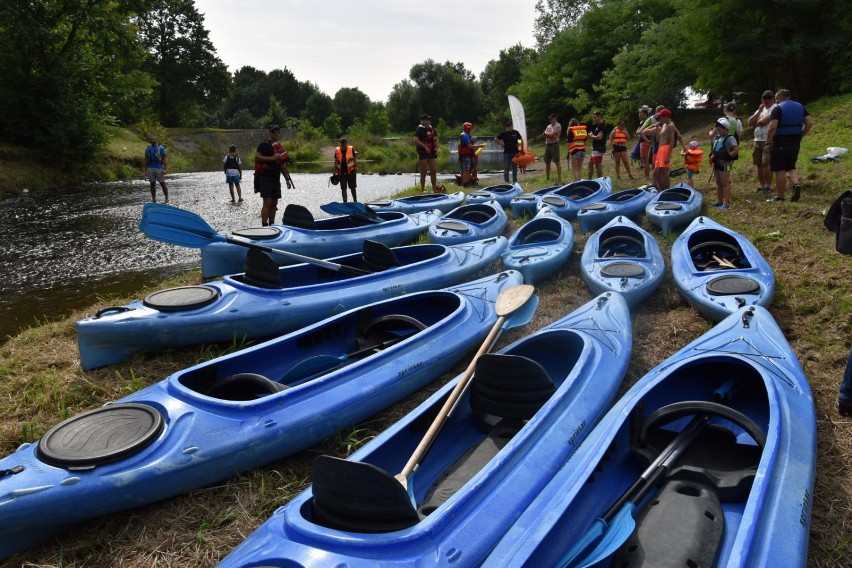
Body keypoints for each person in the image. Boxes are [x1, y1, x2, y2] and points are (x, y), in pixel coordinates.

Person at [766, 89, 813, 202]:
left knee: (780, 169)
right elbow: (809, 123)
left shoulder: (778, 109)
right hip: (795, 141)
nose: (776, 101)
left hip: (780, 142)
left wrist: (768, 142)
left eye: (776, 99)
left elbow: (772, 127)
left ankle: (780, 196)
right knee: (791, 166)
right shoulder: (800, 107)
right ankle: (796, 184)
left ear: (780, 97)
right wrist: (801, 134)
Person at [255, 125, 288, 226]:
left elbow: (282, 165)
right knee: (267, 202)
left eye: (278, 132)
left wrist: (287, 179)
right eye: (274, 132)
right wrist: (272, 158)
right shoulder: (264, 145)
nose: (276, 134)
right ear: (270, 133)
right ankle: (264, 225)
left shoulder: (279, 146)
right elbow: (257, 157)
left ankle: (272, 224)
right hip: (266, 177)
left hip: (275, 177)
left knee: (274, 203)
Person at [748, 90, 777, 195]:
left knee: (767, 163)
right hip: (757, 139)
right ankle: (762, 185)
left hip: (767, 139)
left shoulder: (775, 108)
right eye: (764, 98)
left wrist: (757, 122)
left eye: (769, 98)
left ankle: (768, 186)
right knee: (759, 164)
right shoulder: (761, 109)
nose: (766, 100)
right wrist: (759, 112)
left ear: (773, 99)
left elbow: (762, 121)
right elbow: (750, 122)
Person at [710, 117, 739, 209]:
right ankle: (719, 201)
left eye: (719, 129)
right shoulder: (718, 139)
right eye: (717, 129)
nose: (718, 131)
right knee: (718, 183)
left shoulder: (730, 138)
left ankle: (726, 203)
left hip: (725, 165)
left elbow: (735, 150)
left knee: (725, 183)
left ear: (726, 129)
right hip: (717, 164)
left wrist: (726, 158)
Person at [649, 108, 681, 190]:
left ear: (666, 117)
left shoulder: (670, 126)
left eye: (661, 117)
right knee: (656, 172)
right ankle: (660, 189)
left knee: (664, 172)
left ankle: (666, 190)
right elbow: (658, 139)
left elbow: (672, 141)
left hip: (665, 149)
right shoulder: (663, 125)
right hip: (660, 149)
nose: (659, 119)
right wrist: (656, 128)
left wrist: (668, 155)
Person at [415, 114, 438, 193]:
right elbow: (416, 140)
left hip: (431, 152)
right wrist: (424, 147)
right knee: (424, 171)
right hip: (423, 152)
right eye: (427, 119)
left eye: (429, 119)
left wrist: (436, 146)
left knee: (433, 171)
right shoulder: (419, 129)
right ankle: (423, 189)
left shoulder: (432, 128)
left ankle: (434, 189)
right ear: (423, 121)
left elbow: (436, 138)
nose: (429, 121)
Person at [145, 135, 169, 203]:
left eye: (153, 139)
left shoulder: (161, 148)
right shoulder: (148, 149)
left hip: (159, 168)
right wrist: (145, 171)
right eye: (151, 139)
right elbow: (146, 160)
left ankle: (166, 198)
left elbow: (165, 159)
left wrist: (165, 169)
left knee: (162, 183)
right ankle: (154, 199)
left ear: (156, 140)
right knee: (152, 184)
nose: (152, 140)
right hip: (150, 168)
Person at [334, 137, 357, 202]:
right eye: (342, 144)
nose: (343, 145)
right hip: (341, 172)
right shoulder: (337, 150)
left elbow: (355, 159)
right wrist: (334, 172)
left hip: (351, 172)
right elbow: (335, 161)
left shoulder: (351, 149)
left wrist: (355, 169)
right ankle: (345, 203)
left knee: (353, 188)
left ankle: (355, 201)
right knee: (343, 189)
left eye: (344, 144)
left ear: (347, 143)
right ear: (340, 144)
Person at [542, 113, 563, 184]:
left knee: (557, 161)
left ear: (555, 118)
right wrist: (549, 135)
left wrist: (549, 134)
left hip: (554, 144)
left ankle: (559, 178)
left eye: (551, 118)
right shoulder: (548, 126)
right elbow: (545, 134)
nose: (550, 120)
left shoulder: (558, 125)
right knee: (547, 162)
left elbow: (550, 135)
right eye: (549, 119)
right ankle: (547, 177)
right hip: (548, 144)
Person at [636, 106, 655, 180]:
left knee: (645, 159)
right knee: (643, 158)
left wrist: (647, 140)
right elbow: (638, 132)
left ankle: (647, 176)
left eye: (641, 115)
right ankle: (646, 175)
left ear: (645, 114)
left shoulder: (647, 122)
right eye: (639, 115)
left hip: (644, 142)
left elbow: (640, 132)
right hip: (642, 141)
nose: (639, 116)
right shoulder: (642, 122)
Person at [587, 111, 608, 179]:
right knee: (590, 164)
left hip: (599, 148)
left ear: (599, 116)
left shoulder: (602, 125)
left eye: (595, 117)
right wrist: (592, 135)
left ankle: (600, 180)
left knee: (597, 165)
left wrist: (591, 136)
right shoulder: (597, 126)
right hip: (595, 148)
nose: (594, 119)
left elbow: (599, 137)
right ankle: (589, 180)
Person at [458, 122, 476, 186]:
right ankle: (465, 183)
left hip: (464, 155)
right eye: (469, 128)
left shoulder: (464, 134)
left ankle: (466, 182)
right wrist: (478, 146)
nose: (470, 130)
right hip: (466, 155)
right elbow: (469, 146)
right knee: (466, 170)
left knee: (466, 169)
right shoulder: (465, 135)